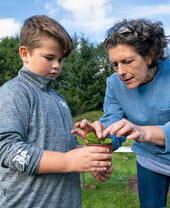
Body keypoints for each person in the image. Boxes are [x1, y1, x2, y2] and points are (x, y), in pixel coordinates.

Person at [0, 15, 113, 208]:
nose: (56, 65)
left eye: (61, 59)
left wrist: (87, 159)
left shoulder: (58, 99)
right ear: (25, 54)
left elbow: (62, 151)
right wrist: (68, 161)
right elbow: (7, 149)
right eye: (49, 58)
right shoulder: (14, 92)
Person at [71, 18, 170, 208]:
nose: (121, 72)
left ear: (149, 55)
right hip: (149, 160)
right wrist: (98, 135)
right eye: (115, 64)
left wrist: (143, 132)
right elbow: (113, 122)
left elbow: (140, 131)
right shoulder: (114, 84)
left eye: (127, 61)